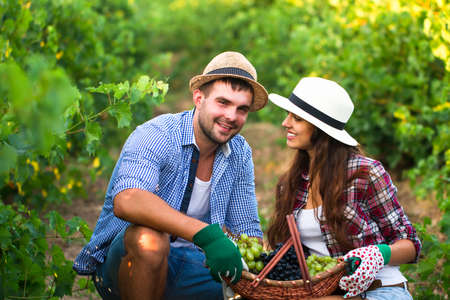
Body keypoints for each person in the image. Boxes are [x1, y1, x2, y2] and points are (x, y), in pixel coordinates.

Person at [73, 51, 268, 300]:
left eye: (242, 109)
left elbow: (247, 229)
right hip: (128, 264)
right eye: (223, 102)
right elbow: (128, 199)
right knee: (150, 240)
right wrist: (205, 234)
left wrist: (245, 256)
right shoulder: (158, 133)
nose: (231, 116)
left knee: (253, 287)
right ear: (199, 98)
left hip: (194, 266)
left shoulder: (239, 153)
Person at [266, 77, 421, 300]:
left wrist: (378, 253)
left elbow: (411, 245)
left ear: (320, 129)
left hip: (379, 290)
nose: (285, 123)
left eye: (297, 118)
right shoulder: (292, 184)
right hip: (328, 293)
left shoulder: (366, 174)